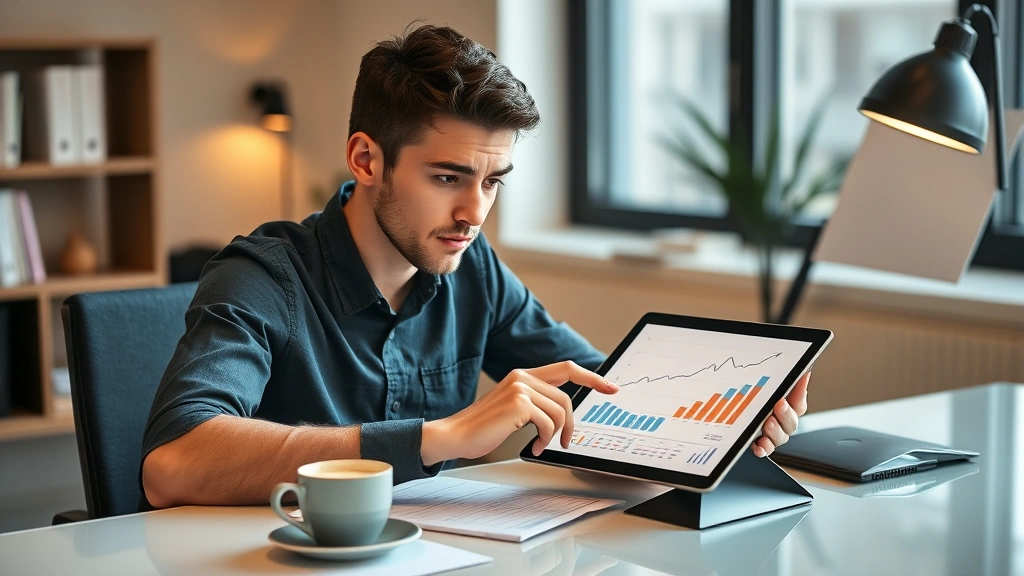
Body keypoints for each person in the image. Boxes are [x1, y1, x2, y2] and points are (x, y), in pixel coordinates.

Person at [140, 24, 810, 509]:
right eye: (448, 177)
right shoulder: (262, 276)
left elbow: (597, 396)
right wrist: (438, 437)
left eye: (493, 182)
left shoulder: (472, 267)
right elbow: (174, 464)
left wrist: (730, 423)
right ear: (366, 159)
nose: (473, 212)